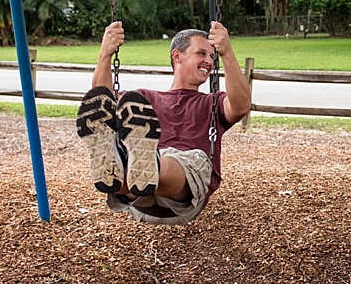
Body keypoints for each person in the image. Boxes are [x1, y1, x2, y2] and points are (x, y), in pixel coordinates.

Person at [76, 20, 252, 225]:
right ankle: (118, 166)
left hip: (184, 195)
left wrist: (227, 53)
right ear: (177, 56)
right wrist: (105, 53)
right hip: (139, 199)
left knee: (172, 159)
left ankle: (139, 164)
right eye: (201, 53)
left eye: (212, 56)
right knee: (133, 146)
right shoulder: (142, 101)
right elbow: (102, 103)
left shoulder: (212, 103)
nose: (209, 61)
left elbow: (241, 106)